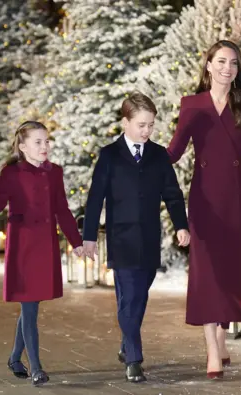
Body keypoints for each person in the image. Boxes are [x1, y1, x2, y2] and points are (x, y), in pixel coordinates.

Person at [167, 40, 241, 379]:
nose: (227, 68)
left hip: (235, 200)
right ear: (208, 65)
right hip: (203, 200)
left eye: (233, 63)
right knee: (207, 274)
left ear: (238, 68)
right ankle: (212, 351)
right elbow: (174, 151)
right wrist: (141, 156)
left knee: (230, 273)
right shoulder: (192, 105)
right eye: (220, 61)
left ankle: (220, 336)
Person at [82, 92, 190, 383]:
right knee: (129, 297)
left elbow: (173, 194)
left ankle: (126, 343)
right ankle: (134, 359)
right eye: (141, 124)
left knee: (138, 298)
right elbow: (95, 199)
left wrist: (182, 225)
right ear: (125, 122)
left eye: (151, 125)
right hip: (122, 238)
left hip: (149, 238)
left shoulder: (158, 155)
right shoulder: (109, 155)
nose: (146, 131)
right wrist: (88, 236)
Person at [0, 121, 84, 386]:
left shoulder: (55, 172)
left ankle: (15, 358)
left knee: (31, 305)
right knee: (29, 307)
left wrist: (76, 242)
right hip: (23, 246)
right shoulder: (12, 173)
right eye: (38, 142)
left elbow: (62, 210)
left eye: (47, 141)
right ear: (23, 146)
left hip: (45, 245)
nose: (45, 146)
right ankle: (37, 367)